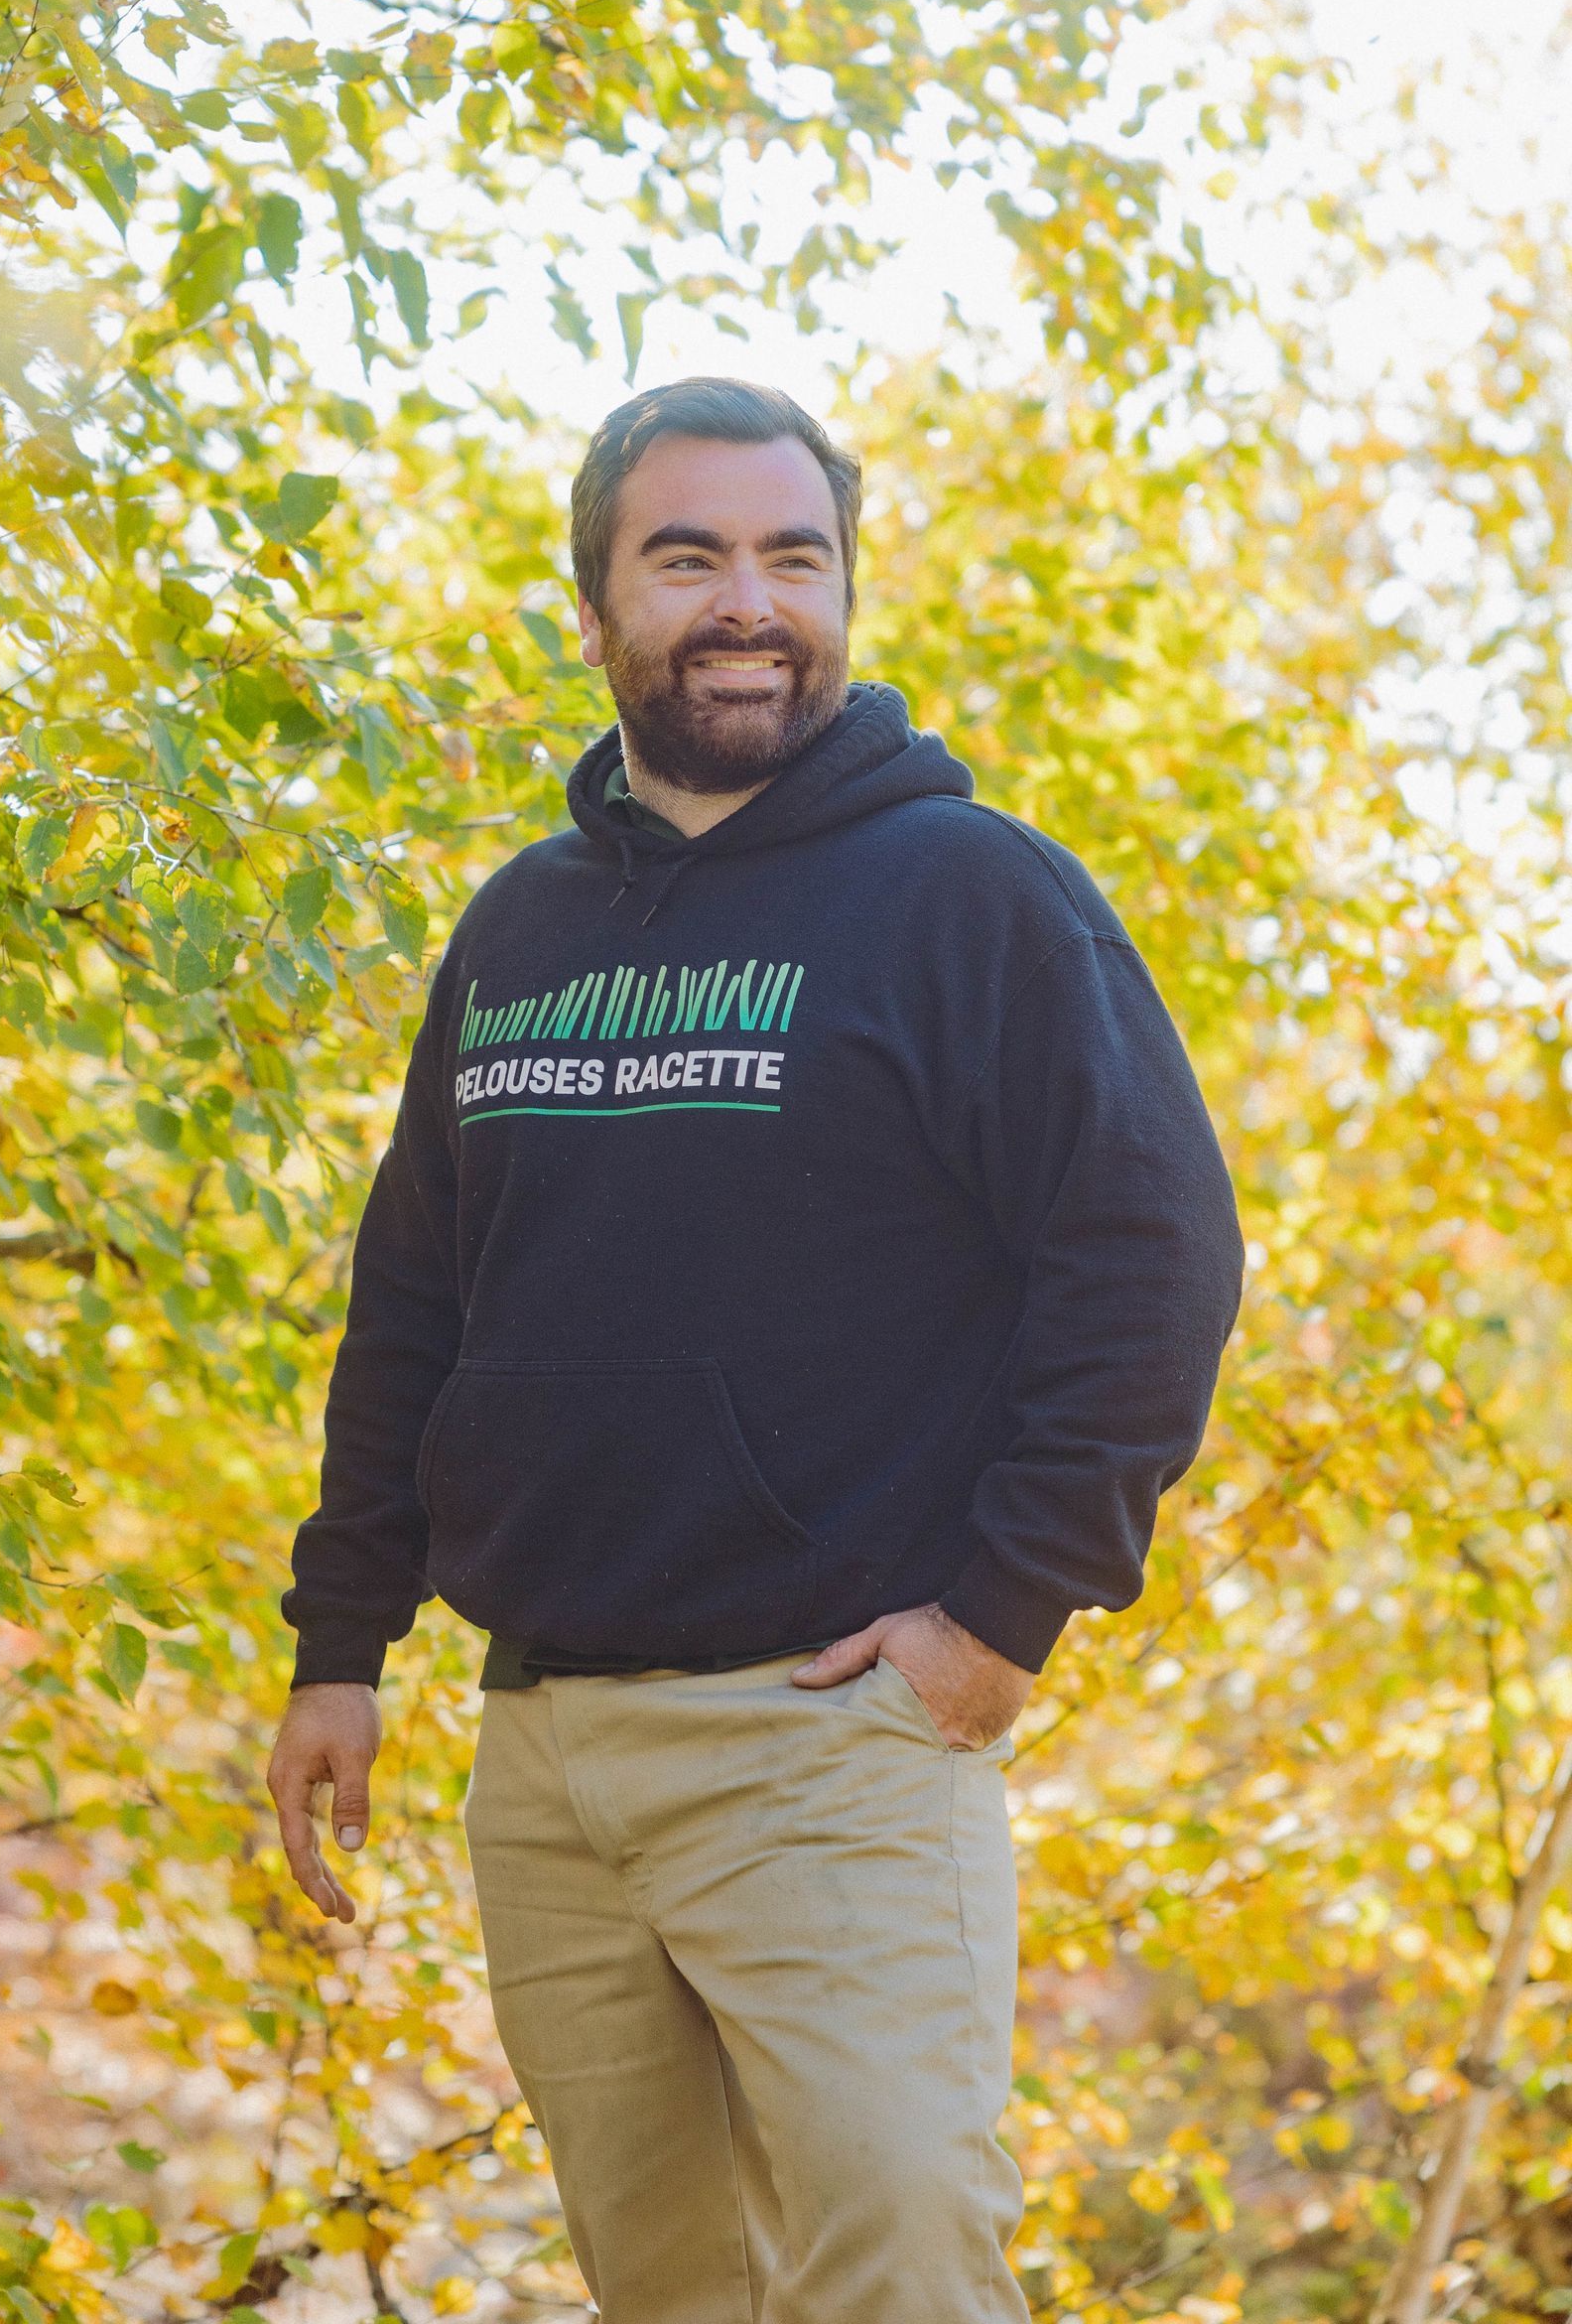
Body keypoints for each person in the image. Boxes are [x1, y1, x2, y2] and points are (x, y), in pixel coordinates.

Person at [268, 377, 1244, 2323]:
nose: (748, 599)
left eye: (795, 555)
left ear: (848, 593)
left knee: (901, 2279)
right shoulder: (522, 930)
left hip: (829, 1743)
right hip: (544, 1752)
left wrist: (1000, 1615)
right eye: (689, 554)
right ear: (595, 607)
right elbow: (421, 1301)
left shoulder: (973, 899)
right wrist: (340, 1643)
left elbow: (1154, 1254)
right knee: (668, 2294)